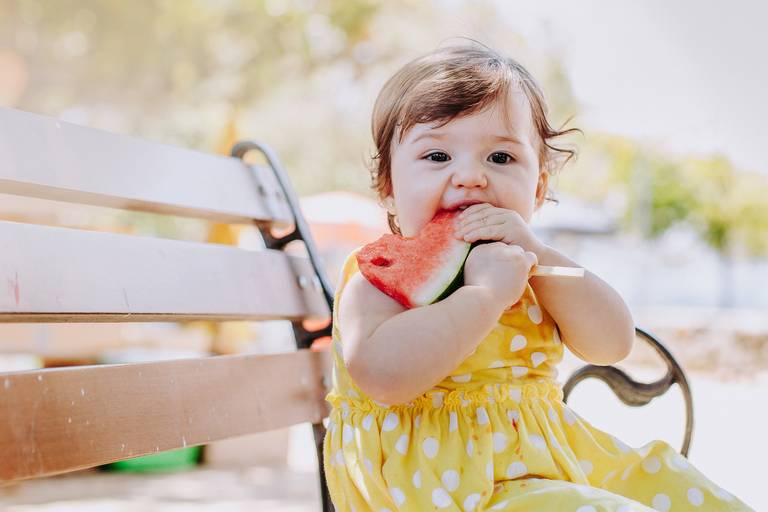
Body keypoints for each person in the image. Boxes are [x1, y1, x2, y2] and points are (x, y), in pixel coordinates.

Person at [322, 39, 754, 511]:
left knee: (681, 489)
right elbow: (383, 376)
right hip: (442, 489)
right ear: (388, 187)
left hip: (551, 465)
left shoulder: (535, 268)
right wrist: (484, 297)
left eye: (501, 158)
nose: (470, 176)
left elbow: (613, 343)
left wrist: (541, 257)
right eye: (437, 157)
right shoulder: (379, 274)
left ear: (539, 187)